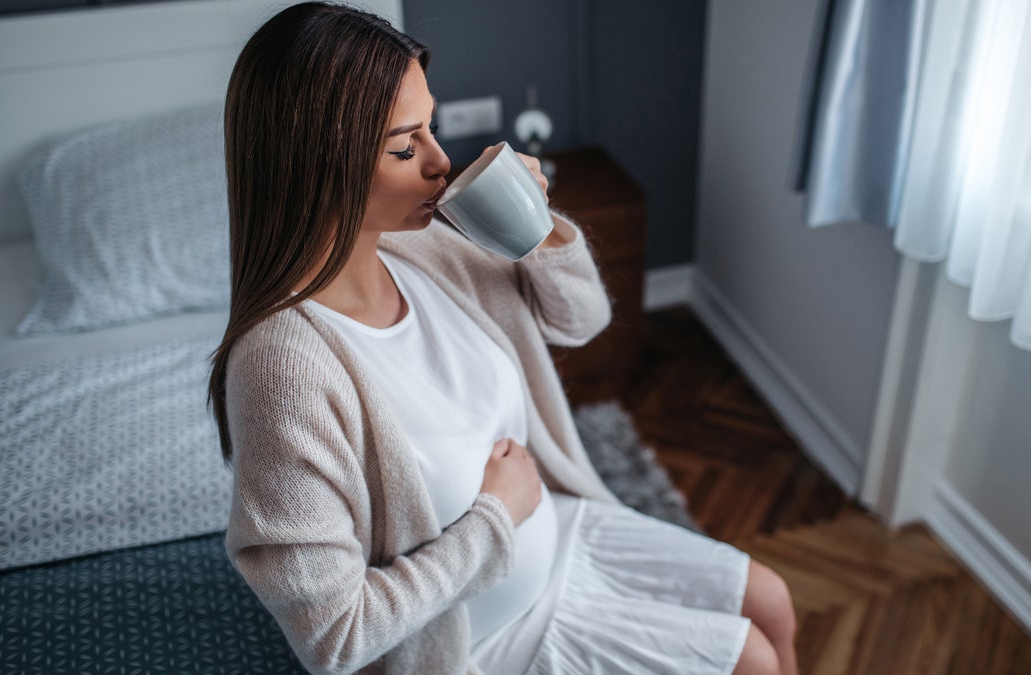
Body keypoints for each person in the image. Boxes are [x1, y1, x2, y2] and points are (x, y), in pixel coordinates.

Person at [207, 3, 799, 674]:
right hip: (478, 635)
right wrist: (494, 515)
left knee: (772, 602)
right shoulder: (282, 371)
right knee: (750, 657)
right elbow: (334, 636)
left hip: (554, 531)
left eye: (430, 126)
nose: (440, 161)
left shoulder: (423, 250)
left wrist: (539, 226)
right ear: (317, 167)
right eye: (405, 146)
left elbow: (582, 320)